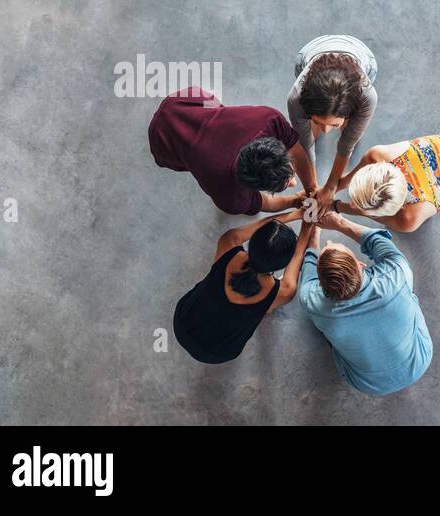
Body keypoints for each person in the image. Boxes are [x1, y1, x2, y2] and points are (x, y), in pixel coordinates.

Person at [298, 211, 431, 395]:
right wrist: (339, 223)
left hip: (367, 385)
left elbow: (309, 268)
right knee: (407, 294)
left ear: (321, 285)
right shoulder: (397, 275)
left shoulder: (310, 300)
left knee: (328, 331)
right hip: (420, 362)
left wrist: (315, 233)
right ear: (361, 264)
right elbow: (376, 239)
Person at [173, 210, 317, 364]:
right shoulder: (284, 291)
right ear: (283, 264)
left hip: (182, 322)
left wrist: (295, 214)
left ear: (253, 240)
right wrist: (307, 225)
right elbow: (297, 256)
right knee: (266, 308)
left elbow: (258, 227)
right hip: (218, 353)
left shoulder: (228, 243)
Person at [148, 86, 318, 215]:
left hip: (185, 98)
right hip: (163, 136)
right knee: (185, 157)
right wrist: (294, 202)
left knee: (215, 107)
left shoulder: (269, 119)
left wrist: (312, 189)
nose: (292, 179)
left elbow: (295, 147)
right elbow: (261, 203)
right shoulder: (228, 196)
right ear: (251, 187)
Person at [287, 35, 379, 216]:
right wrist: (312, 187)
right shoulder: (296, 98)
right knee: (308, 136)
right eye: (318, 121)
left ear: (351, 113)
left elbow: (347, 144)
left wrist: (330, 187)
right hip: (310, 52)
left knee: (350, 134)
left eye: (334, 124)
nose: (326, 131)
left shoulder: (367, 97)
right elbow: (305, 144)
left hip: (364, 57)